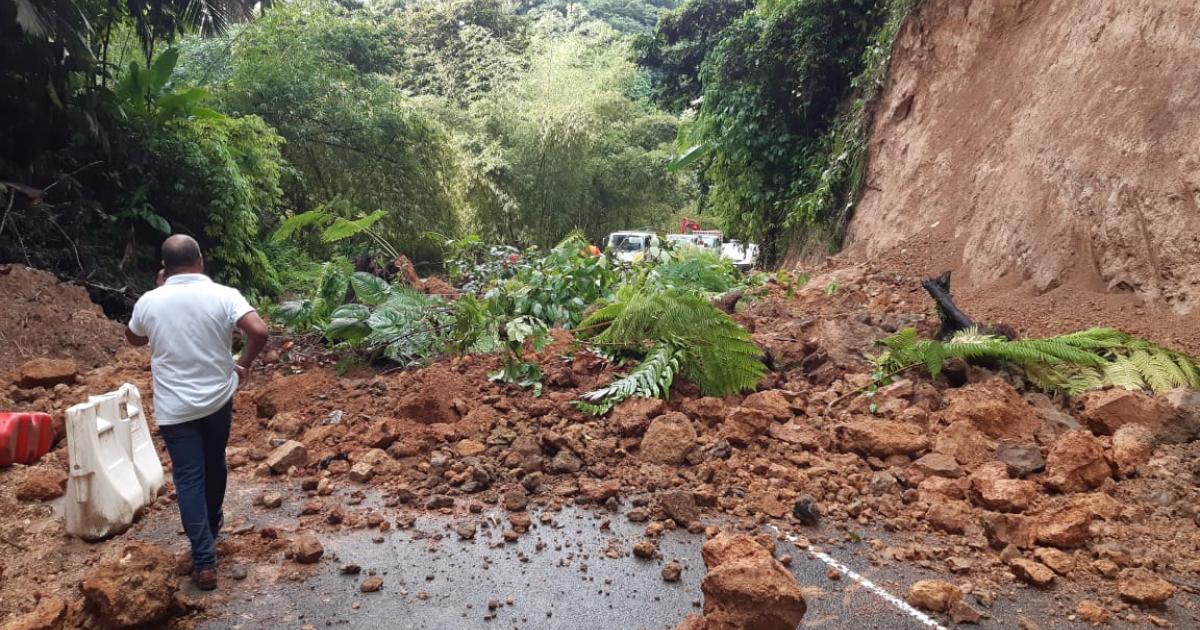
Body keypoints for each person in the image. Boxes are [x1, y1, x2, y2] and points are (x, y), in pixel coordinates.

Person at [124, 235, 268, 591]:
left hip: (175, 408)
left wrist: (158, 294)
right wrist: (242, 365)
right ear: (200, 260)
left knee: (188, 477)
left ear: (165, 268)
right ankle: (213, 524)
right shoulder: (224, 294)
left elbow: (135, 339)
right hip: (219, 398)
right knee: (215, 459)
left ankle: (204, 561)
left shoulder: (150, 301)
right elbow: (260, 331)